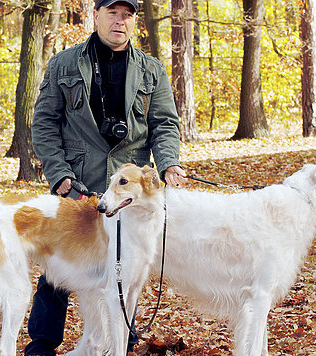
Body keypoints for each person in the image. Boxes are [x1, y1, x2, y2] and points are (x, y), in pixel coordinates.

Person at [26, 0, 186, 354]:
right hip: (78, 186)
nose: (120, 21)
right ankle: (41, 345)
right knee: (57, 268)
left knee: (126, 270)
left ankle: (120, 342)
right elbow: (44, 125)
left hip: (128, 190)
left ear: (134, 21)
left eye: (127, 15)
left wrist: (169, 163)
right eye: (112, 12)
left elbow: (165, 124)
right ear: (95, 15)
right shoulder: (64, 63)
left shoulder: (152, 70)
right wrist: (59, 174)